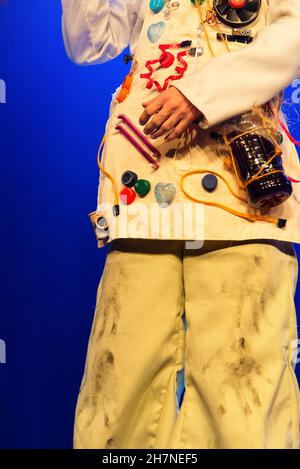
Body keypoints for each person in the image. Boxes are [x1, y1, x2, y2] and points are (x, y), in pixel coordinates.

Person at [61, 0, 300, 449]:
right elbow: (90, 43)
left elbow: (294, 35)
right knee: (120, 384)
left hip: (241, 189)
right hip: (145, 178)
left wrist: (200, 93)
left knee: (241, 384)